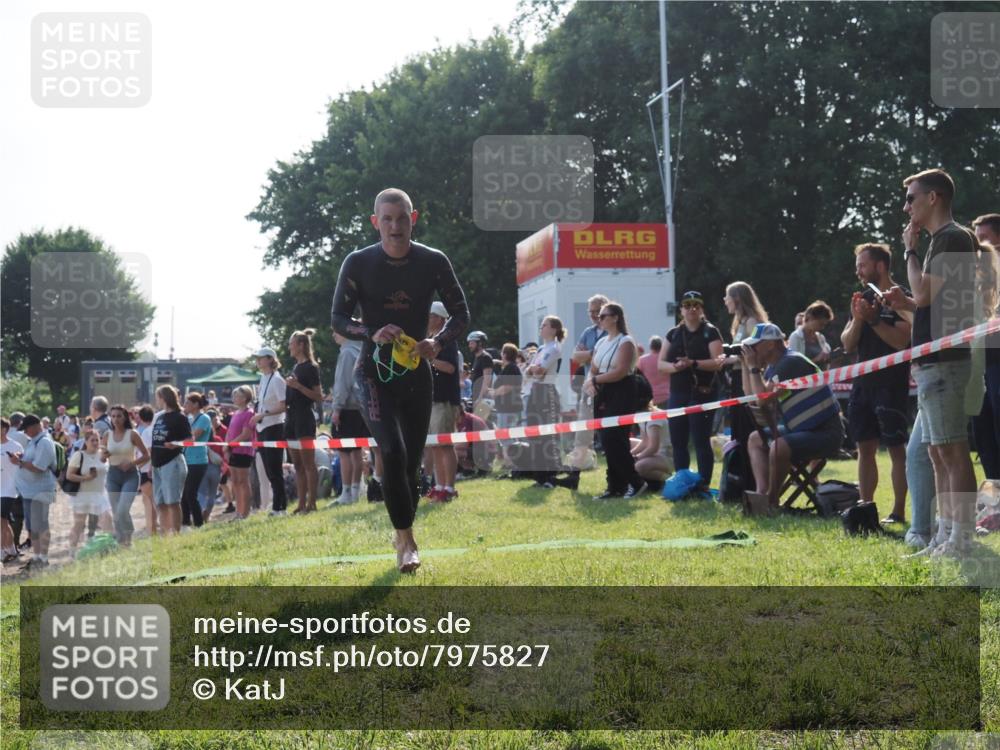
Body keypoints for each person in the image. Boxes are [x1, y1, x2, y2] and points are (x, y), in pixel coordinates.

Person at [331, 187, 470, 573]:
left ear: (414, 218)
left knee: (409, 464)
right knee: (390, 451)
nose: (395, 226)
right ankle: (406, 541)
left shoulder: (432, 261)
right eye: (387, 219)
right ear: (376, 222)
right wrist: (369, 331)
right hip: (372, 372)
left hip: (415, 372)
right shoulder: (358, 263)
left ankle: (403, 531)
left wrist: (437, 342)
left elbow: (461, 315)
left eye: (402, 218)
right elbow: (338, 319)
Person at [903, 169, 992, 558]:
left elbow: (922, 295)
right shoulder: (945, 239)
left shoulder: (952, 236)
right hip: (932, 358)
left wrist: (909, 250)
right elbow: (930, 302)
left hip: (946, 360)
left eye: (911, 197)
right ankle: (944, 535)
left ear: (934, 197)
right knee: (937, 451)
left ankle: (962, 539)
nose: (906, 206)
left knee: (952, 450)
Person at [840, 242, 913, 523]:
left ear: (880, 266)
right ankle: (865, 509)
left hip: (891, 385)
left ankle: (898, 512)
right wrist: (860, 318)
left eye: (862, 265)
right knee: (864, 449)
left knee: (896, 449)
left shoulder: (900, 297)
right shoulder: (862, 298)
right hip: (862, 385)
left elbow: (901, 340)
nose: (858, 270)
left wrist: (874, 321)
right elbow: (847, 344)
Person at [741, 324, 845, 510]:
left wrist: (753, 368)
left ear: (770, 345)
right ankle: (761, 494)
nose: (753, 350)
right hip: (802, 429)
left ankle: (771, 501)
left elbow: (762, 400)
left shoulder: (790, 362)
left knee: (778, 448)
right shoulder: (775, 367)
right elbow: (753, 399)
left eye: (756, 345)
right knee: (755, 439)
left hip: (826, 432)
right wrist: (745, 366)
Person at [658, 291, 726, 487]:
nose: (692, 309)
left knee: (701, 440)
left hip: (703, 392)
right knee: (678, 442)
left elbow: (718, 362)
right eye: (687, 305)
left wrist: (693, 363)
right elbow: (661, 365)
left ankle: (703, 485)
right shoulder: (673, 334)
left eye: (696, 305)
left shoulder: (711, 332)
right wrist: (677, 367)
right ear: (681, 310)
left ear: (701, 309)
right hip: (678, 392)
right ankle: (682, 482)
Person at [584, 301, 644, 498]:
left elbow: (619, 372)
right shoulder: (601, 342)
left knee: (614, 437)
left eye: (603, 315)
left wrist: (596, 379)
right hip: (604, 391)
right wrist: (591, 382)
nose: (598, 319)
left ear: (615, 317)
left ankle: (635, 482)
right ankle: (614, 486)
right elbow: (593, 367)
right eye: (598, 316)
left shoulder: (625, 341)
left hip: (623, 390)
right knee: (607, 439)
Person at [524, 316, 578, 490]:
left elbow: (539, 372)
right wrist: (532, 369)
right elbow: (527, 371)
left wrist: (532, 369)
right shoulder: (541, 348)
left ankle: (550, 476)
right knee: (534, 434)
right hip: (535, 391)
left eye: (544, 325)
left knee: (547, 435)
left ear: (554, 329)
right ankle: (540, 476)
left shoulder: (554, 348)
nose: (541, 328)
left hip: (546, 392)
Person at [971, 213, 1000, 479]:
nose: (977, 246)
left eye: (982, 238)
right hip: (979, 364)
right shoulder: (976, 277)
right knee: (982, 433)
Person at [425, 301, 461, 502]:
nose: (427, 319)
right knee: (435, 445)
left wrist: (429, 359)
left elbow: (450, 368)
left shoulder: (446, 341)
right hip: (431, 400)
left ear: (439, 318)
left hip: (444, 400)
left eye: (430, 315)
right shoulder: (430, 339)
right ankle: (439, 485)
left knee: (445, 444)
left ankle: (449, 488)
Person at [285, 328, 324, 514]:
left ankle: (312, 503)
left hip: (304, 419)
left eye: (291, 343)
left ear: (301, 345)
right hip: (291, 419)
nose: (289, 347)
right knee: (297, 465)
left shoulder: (311, 367)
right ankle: (301, 504)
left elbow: (318, 396)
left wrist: (298, 386)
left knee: (309, 464)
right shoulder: (295, 367)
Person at [11, 415, 57, 570]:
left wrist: (20, 462)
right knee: (33, 527)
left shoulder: (44, 442)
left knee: (41, 525)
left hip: (40, 490)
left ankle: (43, 559)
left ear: (35, 426)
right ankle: (37, 557)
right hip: (30, 491)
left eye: (26, 429)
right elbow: (31, 459)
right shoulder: (34, 441)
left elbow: (40, 467)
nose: (25, 432)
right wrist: (21, 457)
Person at [330, 331, 369, 506]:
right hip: (360, 407)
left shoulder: (346, 352)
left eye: (336, 331)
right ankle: (355, 490)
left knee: (344, 453)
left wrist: (337, 408)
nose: (333, 335)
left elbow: (343, 383)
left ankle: (346, 492)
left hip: (347, 408)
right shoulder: (359, 349)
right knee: (356, 452)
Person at [102, 404, 149, 546]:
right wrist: (103, 455)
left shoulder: (132, 434)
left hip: (131, 475)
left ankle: (128, 536)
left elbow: (146, 455)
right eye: (113, 416)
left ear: (125, 417)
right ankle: (123, 541)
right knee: (116, 511)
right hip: (113, 475)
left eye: (119, 416)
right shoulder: (107, 435)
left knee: (123, 509)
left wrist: (132, 463)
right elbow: (102, 458)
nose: (116, 419)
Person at [570, 294, 609, 460]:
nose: (593, 315)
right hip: (589, 386)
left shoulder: (613, 332)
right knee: (584, 426)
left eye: (597, 311)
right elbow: (576, 357)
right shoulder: (588, 332)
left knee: (608, 425)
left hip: (609, 385)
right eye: (590, 311)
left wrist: (587, 354)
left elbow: (609, 358)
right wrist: (594, 352)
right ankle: (580, 463)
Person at [252, 346, 289, 516]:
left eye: (260, 358)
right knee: (268, 469)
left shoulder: (277, 380)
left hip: (274, 427)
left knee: (274, 469)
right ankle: (277, 505)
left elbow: (283, 406)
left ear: (269, 359)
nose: (257, 361)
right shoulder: (264, 378)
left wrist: (264, 414)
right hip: (262, 427)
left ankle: (280, 507)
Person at [66, 428, 114, 554]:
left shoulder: (103, 455)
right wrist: (85, 478)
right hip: (82, 495)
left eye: (97, 440)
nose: (95, 442)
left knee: (108, 520)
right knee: (79, 525)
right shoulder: (79, 455)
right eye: (92, 440)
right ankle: (72, 551)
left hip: (100, 494)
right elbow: (69, 475)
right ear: (86, 441)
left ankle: (111, 548)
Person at [150, 385, 191, 535]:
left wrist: (175, 444)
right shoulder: (160, 417)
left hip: (172, 462)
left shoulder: (180, 417)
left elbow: (190, 440)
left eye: (158, 397)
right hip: (157, 463)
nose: (157, 400)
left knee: (173, 501)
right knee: (160, 502)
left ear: (164, 398)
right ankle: (165, 533)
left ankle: (176, 533)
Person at [179, 392, 211, 528]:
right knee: (184, 495)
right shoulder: (191, 419)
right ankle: (186, 522)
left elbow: (193, 437)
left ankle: (198, 523)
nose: (184, 405)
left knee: (190, 493)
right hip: (187, 459)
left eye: (187, 403)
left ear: (196, 404)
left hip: (198, 461)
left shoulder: (204, 418)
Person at [491, 343, 524, 470]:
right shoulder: (512, 367)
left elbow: (507, 387)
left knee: (505, 436)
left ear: (505, 354)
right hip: (510, 407)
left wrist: (493, 392)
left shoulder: (511, 368)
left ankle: (509, 463)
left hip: (508, 408)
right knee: (510, 435)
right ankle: (511, 462)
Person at [225, 386, 256, 518]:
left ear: (245, 398)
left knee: (243, 481)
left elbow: (246, 434)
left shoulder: (249, 413)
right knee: (235, 481)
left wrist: (230, 445)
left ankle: (245, 512)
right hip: (233, 450)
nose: (234, 398)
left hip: (243, 451)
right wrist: (226, 446)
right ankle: (238, 511)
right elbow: (229, 432)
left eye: (237, 396)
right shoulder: (235, 413)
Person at [631, 406, 673, 490]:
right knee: (627, 443)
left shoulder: (654, 417)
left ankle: (670, 480)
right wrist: (630, 454)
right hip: (655, 455)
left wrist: (636, 457)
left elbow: (654, 447)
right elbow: (645, 442)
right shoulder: (641, 416)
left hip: (667, 456)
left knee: (638, 467)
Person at [788, 301, 834, 369]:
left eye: (824, 325)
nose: (822, 327)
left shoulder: (821, 338)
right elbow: (794, 366)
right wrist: (816, 360)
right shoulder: (795, 337)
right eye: (820, 324)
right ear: (810, 317)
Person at [199, 410, 226, 522]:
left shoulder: (200, 441)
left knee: (202, 492)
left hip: (203, 468)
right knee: (212, 493)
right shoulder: (218, 440)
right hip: (216, 469)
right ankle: (208, 514)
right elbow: (223, 455)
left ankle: (200, 512)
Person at [1, 419, 21, 563]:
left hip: (10, 488)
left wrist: (17, 460)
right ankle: (12, 550)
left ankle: (1, 552)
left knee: (1, 521)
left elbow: (23, 463)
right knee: (4, 522)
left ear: (5, 429)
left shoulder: (15, 445)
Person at [135, 405, 157, 537]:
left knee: (148, 500)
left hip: (146, 469)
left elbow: (150, 452)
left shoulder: (147, 431)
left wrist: (139, 465)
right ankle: (152, 527)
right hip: (148, 468)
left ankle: (152, 529)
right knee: (150, 500)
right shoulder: (151, 430)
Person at [637, 336, 670, 409]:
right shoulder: (668, 359)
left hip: (650, 399)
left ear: (650, 346)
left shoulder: (641, 360)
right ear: (662, 346)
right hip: (667, 396)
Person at [467, 331, 494, 405]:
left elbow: (487, 379)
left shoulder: (485, 357)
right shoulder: (476, 358)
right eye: (469, 343)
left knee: (482, 417)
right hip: (476, 397)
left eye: (472, 343)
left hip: (483, 399)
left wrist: (480, 398)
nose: (469, 345)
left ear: (480, 343)